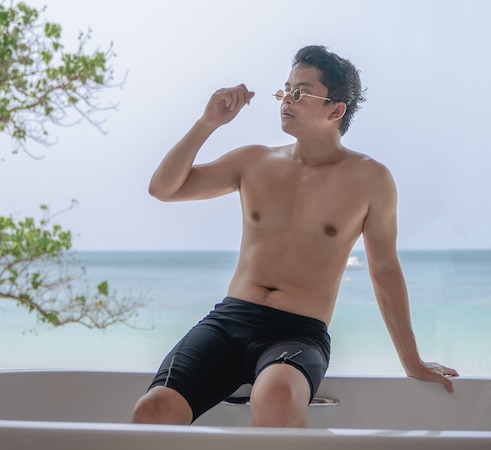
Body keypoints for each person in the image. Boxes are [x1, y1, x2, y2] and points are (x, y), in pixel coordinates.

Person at [131, 45, 458, 428]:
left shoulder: (371, 179)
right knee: (152, 410)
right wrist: (209, 123)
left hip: (298, 333)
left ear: (336, 110)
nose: (286, 99)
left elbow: (384, 270)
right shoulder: (253, 161)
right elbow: (163, 188)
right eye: (286, 89)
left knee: (276, 396)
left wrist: (412, 363)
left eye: (301, 92)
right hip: (230, 318)